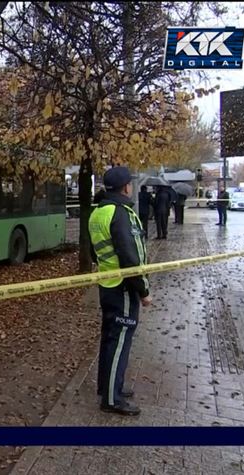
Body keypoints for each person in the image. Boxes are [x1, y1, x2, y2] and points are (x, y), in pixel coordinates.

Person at [89, 166, 151, 416]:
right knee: (120, 341)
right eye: (131, 183)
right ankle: (112, 400)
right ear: (126, 186)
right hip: (124, 287)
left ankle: (108, 386)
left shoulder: (98, 212)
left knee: (110, 337)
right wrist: (144, 290)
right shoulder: (121, 213)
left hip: (107, 284)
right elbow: (129, 256)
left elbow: (94, 252)